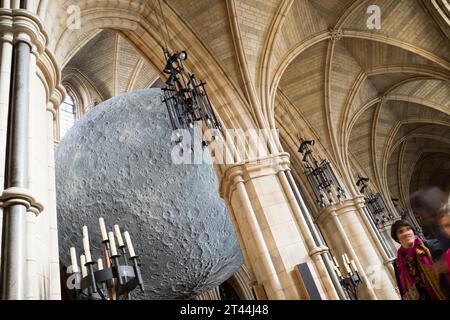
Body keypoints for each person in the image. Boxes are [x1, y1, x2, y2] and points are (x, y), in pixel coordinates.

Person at [391, 219, 447, 300]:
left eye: (408, 229)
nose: (406, 233)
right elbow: (403, 289)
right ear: (397, 239)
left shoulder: (431, 246)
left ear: (413, 232)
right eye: (401, 231)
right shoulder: (397, 263)